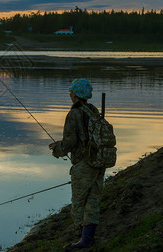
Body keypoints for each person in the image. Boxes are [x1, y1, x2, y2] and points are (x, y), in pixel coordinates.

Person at [49, 78, 105, 249]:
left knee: (79, 201)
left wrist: (57, 149)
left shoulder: (74, 113)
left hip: (84, 163)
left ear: (76, 94)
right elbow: (84, 137)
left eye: (71, 91)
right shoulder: (93, 110)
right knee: (93, 198)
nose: (70, 94)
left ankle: (82, 239)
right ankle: (87, 238)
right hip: (99, 160)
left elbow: (70, 142)